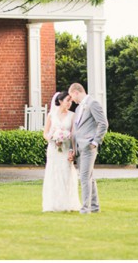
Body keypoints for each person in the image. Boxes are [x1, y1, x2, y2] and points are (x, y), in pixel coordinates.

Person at [68, 82, 109, 214]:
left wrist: (95, 142)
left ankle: (85, 208)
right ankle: (95, 206)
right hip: (79, 147)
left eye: (71, 96)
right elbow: (75, 130)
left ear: (76, 92)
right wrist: (72, 148)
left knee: (85, 178)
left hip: (88, 146)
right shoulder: (79, 108)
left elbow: (103, 123)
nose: (72, 99)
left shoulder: (93, 103)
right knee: (89, 177)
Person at [42, 91, 82, 212]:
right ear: (60, 101)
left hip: (65, 149)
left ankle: (67, 203)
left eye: (71, 101)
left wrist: (72, 150)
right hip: (53, 150)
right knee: (53, 174)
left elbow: (74, 135)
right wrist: (53, 138)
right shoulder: (51, 115)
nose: (70, 103)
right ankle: (53, 204)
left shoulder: (72, 115)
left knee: (66, 174)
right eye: (67, 100)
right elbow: (45, 133)